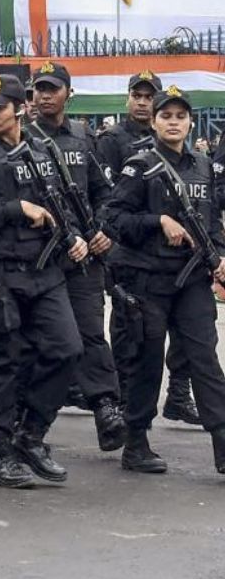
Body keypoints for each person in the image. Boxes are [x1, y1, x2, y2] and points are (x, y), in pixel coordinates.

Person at [0, 74, 87, 489]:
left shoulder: (40, 150)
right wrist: (13, 209)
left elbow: (60, 201)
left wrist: (74, 235)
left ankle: (30, 434)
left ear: (20, 109)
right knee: (1, 364)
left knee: (67, 349)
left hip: (44, 270)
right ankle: (0, 457)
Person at [103, 85, 225, 476]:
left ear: (190, 122)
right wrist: (158, 221)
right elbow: (113, 219)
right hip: (146, 280)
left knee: (204, 358)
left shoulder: (203, 166)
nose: (173, 123)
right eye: (165, 116)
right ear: (153, 121)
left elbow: (211, 223)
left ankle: (222, 442)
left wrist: (220, 255)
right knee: (147, 361)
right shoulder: (140, 165)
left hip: (191, 280)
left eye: (180, 116)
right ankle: (136, 442)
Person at [28, 62, 126, 453]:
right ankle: (31, 424)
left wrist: (101, 230)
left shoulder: (85, 139)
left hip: (84, 257)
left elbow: (104, 193)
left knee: (89, 332)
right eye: (40, 88)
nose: (45, 95)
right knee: (41, 342)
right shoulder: (22, 140)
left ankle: (105, 406)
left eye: (53, 88)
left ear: (68, 93)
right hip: (40, 257)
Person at [98, 72, 200, 426]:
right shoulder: (114, 140)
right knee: (133, 337)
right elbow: (109, 201)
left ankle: (178, 394)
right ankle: (125, 407)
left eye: (148, 95)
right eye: (136, 95)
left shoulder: (189, 156)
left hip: (176, 260)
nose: (142, 101)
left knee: (188, 333)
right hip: (130, 254)